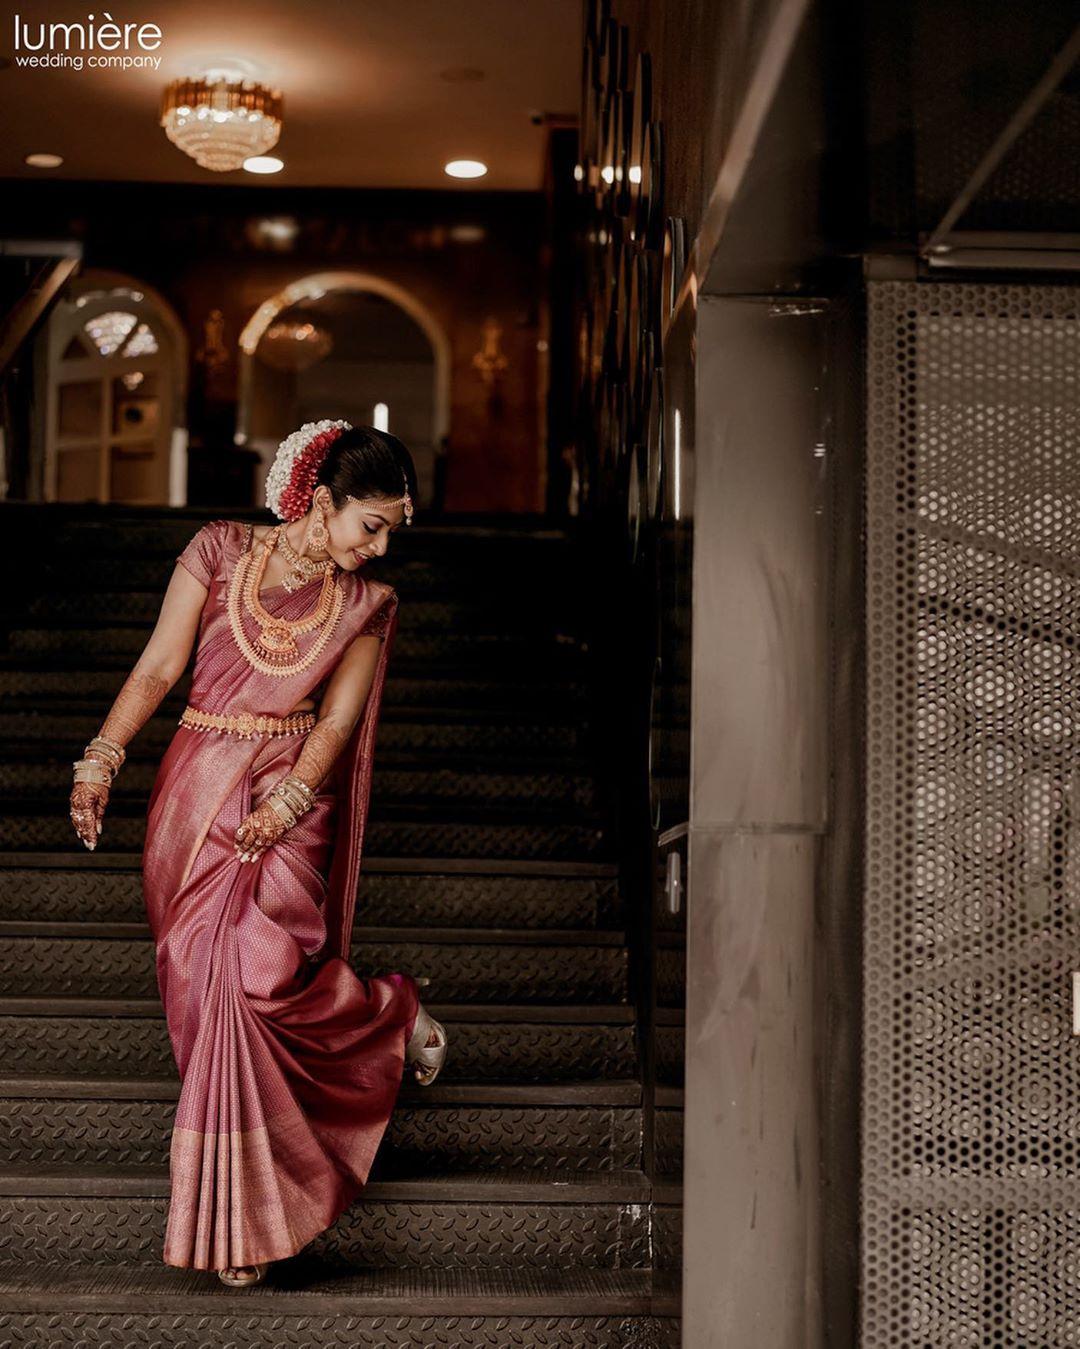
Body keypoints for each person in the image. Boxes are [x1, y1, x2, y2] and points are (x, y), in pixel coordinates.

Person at [67, 421, 448, 1289]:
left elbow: (341, 722)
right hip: (195, 794)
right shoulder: (218, 549)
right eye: (372, 525)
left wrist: (288, 797)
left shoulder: (364, 604)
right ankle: (253, 1200)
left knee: (258, 976)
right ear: (323, 502)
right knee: (203, 994)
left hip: (288, 796)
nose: (381, 545)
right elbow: (160, 666)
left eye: (391, 531)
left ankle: (378, 1030)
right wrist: (102, 755)